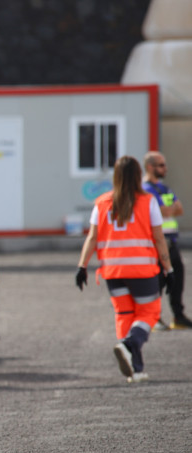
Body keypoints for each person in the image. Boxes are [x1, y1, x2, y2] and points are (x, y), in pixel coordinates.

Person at [76, 155, 174, 383]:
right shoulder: (148, 201)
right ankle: (128, 345)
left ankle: (136, 369)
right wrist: (168, 268)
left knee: (125, 315)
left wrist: (82, 266)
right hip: (141, 269)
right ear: (139, 175)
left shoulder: (101, 203)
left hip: (112, 271)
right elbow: (159, 239)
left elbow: (92, 237)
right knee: (149, 313)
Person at [142, 151, 191, 329]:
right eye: (161, 165)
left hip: (172, 241)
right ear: (150, 167)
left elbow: (179, 209)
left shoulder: (165, 188)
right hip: (156, 243)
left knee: (177, 278)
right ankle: (152, 318)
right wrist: (168, 208)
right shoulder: (145, 190)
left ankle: (178, 316)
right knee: (157, 282)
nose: (165, 168)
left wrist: (167, 208)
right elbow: (164, 211)